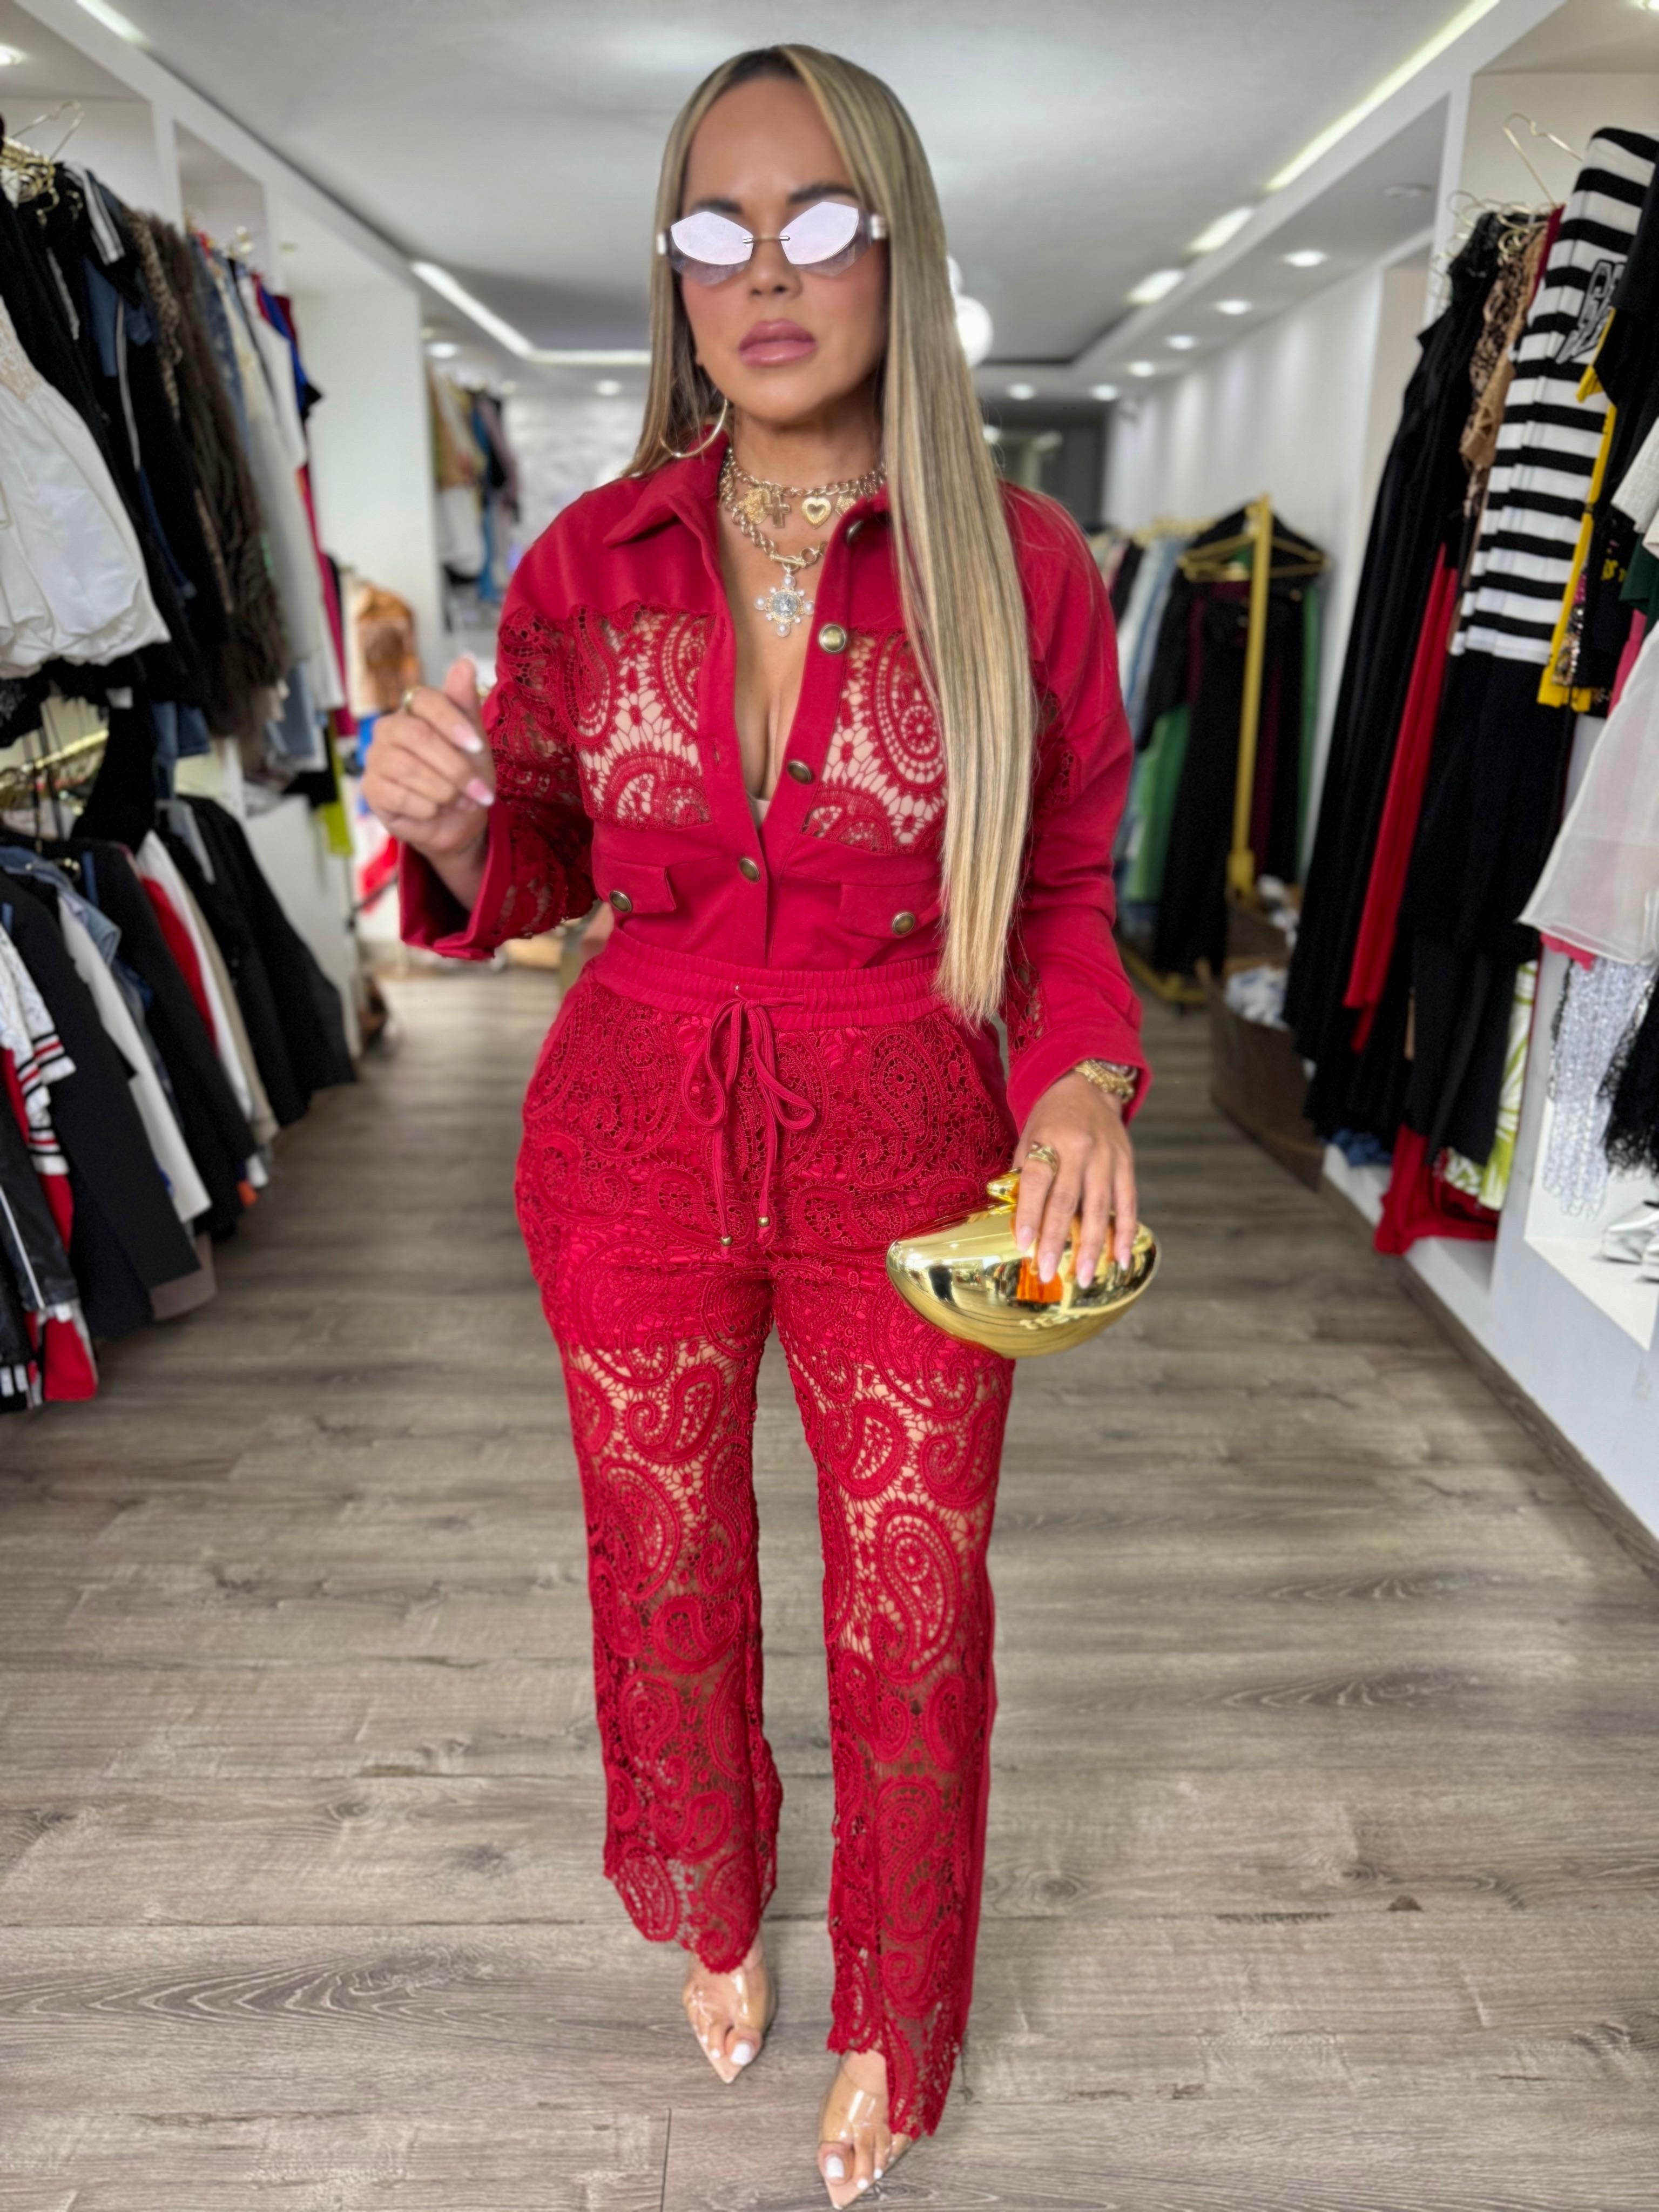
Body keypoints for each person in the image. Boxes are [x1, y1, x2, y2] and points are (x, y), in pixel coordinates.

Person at [365, 43, 1147, 2203]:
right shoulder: (587, 561)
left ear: (899, 245)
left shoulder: (1024, 566)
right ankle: (714, 1896)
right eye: (720, 228)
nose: (768, 270)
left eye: (820, 222)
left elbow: (1070, 883)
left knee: (917, 1602)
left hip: (913, 1133)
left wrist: (1082, 1076)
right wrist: (454, 829)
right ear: (674, 270)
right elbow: (533, 854)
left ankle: (893, 2009)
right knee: (665, 1558)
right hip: (629, 1132)